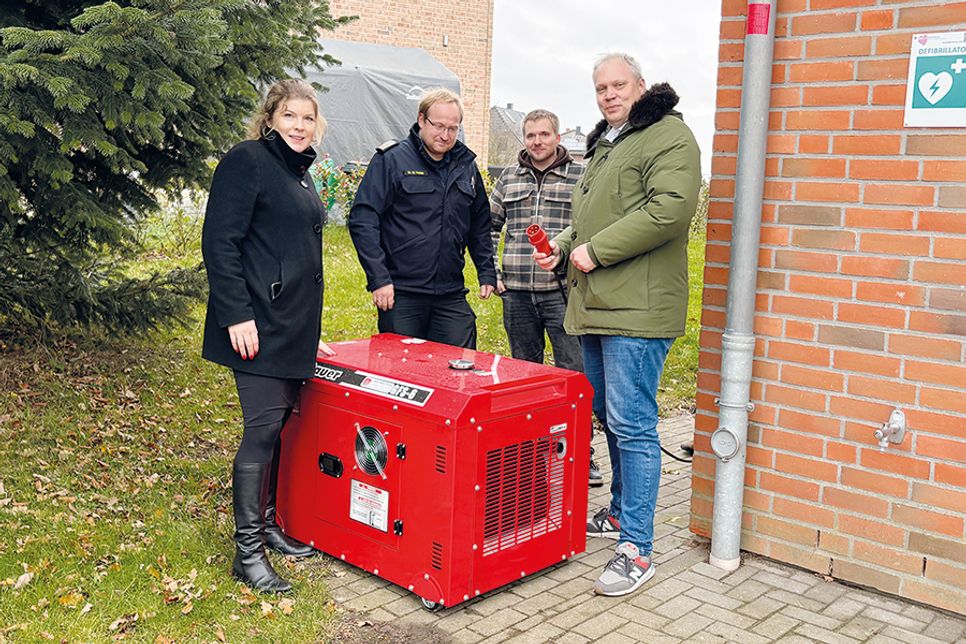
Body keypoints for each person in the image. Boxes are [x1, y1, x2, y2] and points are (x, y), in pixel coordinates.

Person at [535, 53, 701, 597]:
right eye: (600, 87)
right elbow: (590, 221)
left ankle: (637, 547)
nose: (608, 95)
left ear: (641, 85)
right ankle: (621, 513)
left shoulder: (668, 137)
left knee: (633, 424)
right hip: (599, 304)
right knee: (610, 416)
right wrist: (562, 246)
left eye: (618, 85)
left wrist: (595, 252)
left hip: (638, 308)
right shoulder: (610, 142)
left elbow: (669, 211)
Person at [202, 78, 335, 593]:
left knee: (278, 428)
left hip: (289, 328)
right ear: (270, 119)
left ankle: (269, 525)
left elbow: (296, 256)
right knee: (260, 430)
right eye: (290, 117)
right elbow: (221, 242)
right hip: (254, 325)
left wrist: (308, 333)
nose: (299, 126)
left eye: (307, 118)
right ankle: (247, 553)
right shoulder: (248, 160)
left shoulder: (299, 174)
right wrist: (237, 315)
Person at [489, 109, 603, 488]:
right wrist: (495, 273)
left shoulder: (580, 176)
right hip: (517, 293)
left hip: (562, 293)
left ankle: (580, 454)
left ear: (557, 137)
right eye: (530, 135)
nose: (537, 141)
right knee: (525, 376)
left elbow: (591, 226)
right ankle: (529, 454)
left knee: (574, 374)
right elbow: (488, 227)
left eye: (544, 134)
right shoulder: (509, 178)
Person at [348, 89, 497, 349]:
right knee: (400, 373)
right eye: (438, 126)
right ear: (421, 120)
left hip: (450, 293)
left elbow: (479, 225)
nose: (445, 135)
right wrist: (379, 278)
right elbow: (363, 219)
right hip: (402, 292)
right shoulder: (392, 160)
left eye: (453, 128)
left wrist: (486, 272)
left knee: (460, 369)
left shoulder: (466, 167)